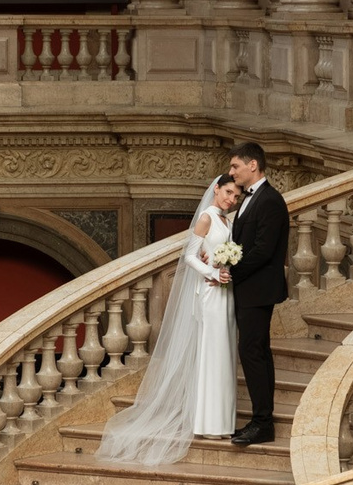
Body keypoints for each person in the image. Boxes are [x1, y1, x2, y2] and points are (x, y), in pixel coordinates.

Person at [96, 176, 242, 467]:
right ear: (216, 189)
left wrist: (225, 268)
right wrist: (213, 273)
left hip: (226, 295)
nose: (231, 199)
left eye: (236, 196)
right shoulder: (206, 217)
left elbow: (217, 254)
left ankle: (222, 422)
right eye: (228, 192)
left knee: (224, 355)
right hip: (211, 294)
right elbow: (189, 256)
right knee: (211, 355)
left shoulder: (228, 222)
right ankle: (208, 423)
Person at [224, 143, 289, 446]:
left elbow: (263, 251)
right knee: (255, 351)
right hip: (248, 289)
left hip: (258, 290)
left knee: (253, 352)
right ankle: (261, 420)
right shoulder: (250, 199)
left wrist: (232, 273)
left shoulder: (271, 201)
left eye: (235, 166)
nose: (231, 172)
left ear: (253, 165)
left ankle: (262, 422)